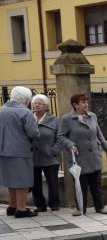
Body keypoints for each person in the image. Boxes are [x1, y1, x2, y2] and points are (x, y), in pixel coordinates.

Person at [59, 93, 107, 216]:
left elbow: (99, 135)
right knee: (80, 185)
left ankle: (99, 207)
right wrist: (70, 144)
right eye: (83, 102)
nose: (86, 104)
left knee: (96, 185)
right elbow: (61, 136)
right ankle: (80, 208)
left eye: (86, 102)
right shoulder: (67, 119)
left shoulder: (92, 116)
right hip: (79, 158)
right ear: (75, 105)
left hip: (94, 156)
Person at [0, 86, 39, 218]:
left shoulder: (2, 110)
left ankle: (12, 206)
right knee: (23, 181)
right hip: (20, 150)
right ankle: (21, 209)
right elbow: (34, 133)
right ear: (25, 99)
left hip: (3, 150)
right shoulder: (25, 112)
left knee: (11, 179)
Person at [31, 94, 67, 212]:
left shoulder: (55, 120)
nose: (37, 105)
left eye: (40, 103)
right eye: (35, 103)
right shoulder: (29, 119)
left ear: (46, 106)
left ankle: (54, 203)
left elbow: (61, 137)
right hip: (33, 157)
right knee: (35, 183)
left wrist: (54, 150)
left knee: (52, 182)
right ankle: (40, 205)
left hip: (50, 156)